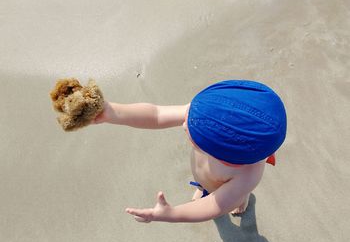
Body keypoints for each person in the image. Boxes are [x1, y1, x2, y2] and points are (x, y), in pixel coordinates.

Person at [93, 80, 287, 223]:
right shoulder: (204, 114)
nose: (185, 123)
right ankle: (203, 187)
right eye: (189, 118)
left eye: (193, 131)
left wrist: (172, 214)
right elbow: (157, 114)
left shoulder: (248, 176)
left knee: (230, 197)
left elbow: (214, 206)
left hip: (226, 186)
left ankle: (239, 199)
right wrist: (111, 112)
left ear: (223, 156)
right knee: (205, 186)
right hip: (207, 175)